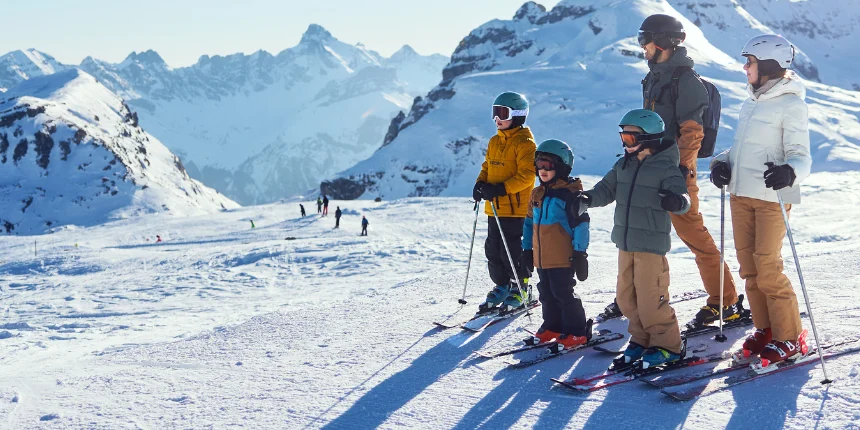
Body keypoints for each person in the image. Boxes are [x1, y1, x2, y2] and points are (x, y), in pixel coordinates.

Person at [604, 13, 739, 327]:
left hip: (674, 173)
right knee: (639, 235)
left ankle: (726, 301)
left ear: (662, 40)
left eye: (644, 39)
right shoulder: (654, 76)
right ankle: (631, 295)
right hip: (646, 168)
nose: (642, 47)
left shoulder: (686, 81)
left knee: (694, 236)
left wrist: (679, 170)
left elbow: (693, 132)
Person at [710, 35, 812, 364]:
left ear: (767, 66)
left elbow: (802, 156)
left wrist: (790, 172)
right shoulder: (751, 101)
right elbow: (741, 149)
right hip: (741, 194)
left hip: (772, 196)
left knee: (768, 268)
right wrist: (721, 164)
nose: (744, 67)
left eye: (749, 62)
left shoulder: (791, 104)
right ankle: (765, 328)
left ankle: (789, 336)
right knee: (750, 270)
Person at [577, 109, 690, 367]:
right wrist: (586, 199)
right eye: (623, 138)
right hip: (625, 243)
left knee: (652, 299)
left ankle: (669, 345)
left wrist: (677, 200)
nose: (625, 144)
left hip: (651, 245)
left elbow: (683, 199)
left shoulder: (666, 168)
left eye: (630, 139)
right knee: (626, 297)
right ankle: (642, 339)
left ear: (649, 139)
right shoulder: (623, 165)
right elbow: (605, 190)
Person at [521, 139, 591, 350]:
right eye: (539, 165)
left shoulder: (570, 195)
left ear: (560, 167)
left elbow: (581, 225)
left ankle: (577, 332)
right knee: (546, 292)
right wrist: (526, 249)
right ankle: (553, 325)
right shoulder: (537, 193)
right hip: (542, 257)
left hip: (562, 256)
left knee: (563, 293)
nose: (542, 170)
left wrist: (580, 253)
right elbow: (528, 223)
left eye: (548, 166)